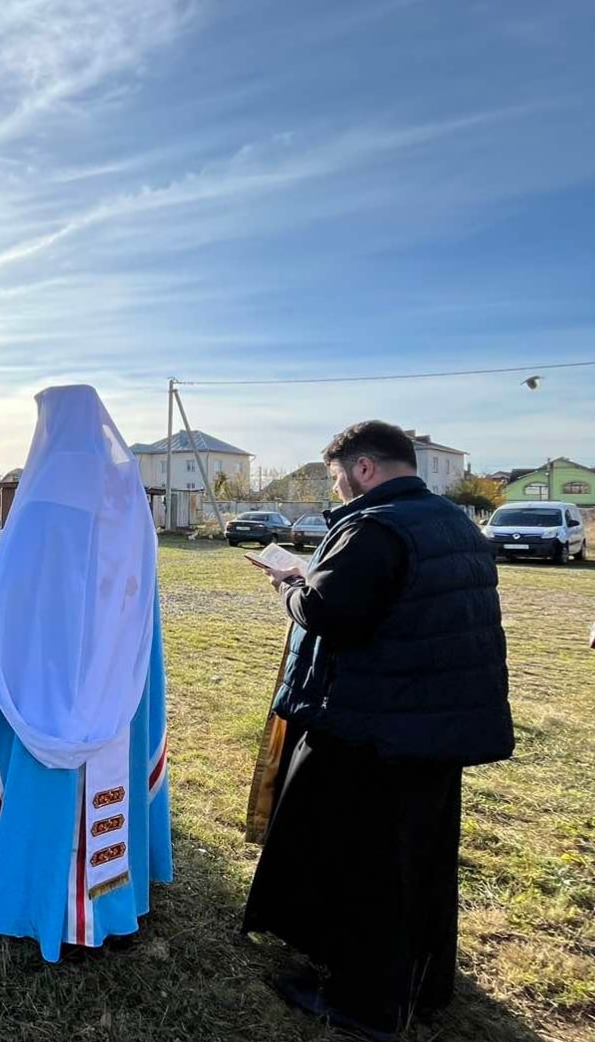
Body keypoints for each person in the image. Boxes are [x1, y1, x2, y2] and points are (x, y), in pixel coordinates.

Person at [243, 420, 513, 1040]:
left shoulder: (374, 526)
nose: (337, 489)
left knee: (367, 861)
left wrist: (291, 585)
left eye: (337, 477)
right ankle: (420, 977)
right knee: (418, 857)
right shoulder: (453, 521)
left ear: (363, 468)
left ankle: (364, 1001)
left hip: (373, 724)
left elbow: (330, 612)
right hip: (433, 721)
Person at [0, 384, 172, 961]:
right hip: (113, 669)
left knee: (41, 783)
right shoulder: (125, 494)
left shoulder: (44, 492)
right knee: (106, 775)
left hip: (45, 672)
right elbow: (137, 589)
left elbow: (19, 592)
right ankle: (108, 904)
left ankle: (35, 897)